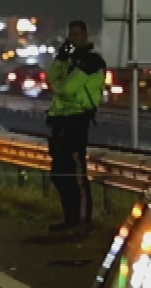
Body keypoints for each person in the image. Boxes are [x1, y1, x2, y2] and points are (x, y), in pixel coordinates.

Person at [44, 20, 106, 232]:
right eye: (71, 35)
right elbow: (52, 77)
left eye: (77, 34)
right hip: (60, 121)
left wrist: (58, 85)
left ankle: (82, 221)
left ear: (86, 35)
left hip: (78, 120)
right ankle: (69, 219)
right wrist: (61, 57)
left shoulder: (92, 61)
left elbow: (68, 89)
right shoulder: (71, 60)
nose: (73, 39)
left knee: (76, 173)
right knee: (59, 173)